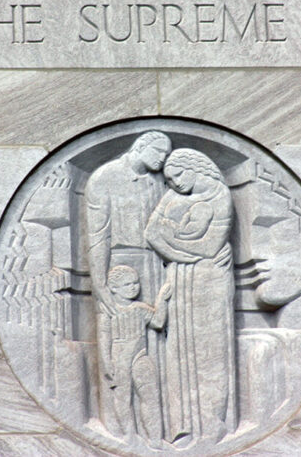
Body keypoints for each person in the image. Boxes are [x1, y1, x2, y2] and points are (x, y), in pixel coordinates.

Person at [145, 148, 236, 447]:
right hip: (181, 279)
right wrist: (183, 252)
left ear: (195, 167)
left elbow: (210, 247)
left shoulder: (219, 195)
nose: (175, 184)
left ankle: (213, 425)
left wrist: (173, 244)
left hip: (210, 282)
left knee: (210, 350)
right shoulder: (173, 197)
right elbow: (150, 234)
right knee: (178, 350)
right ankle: (182, 427)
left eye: (178, 176)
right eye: (169, 180)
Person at [83, 131, 172, 437]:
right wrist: (100, 284)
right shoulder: (104, 177)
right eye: (159, 151)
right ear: (141, 146)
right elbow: (97, 236)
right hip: (121, 262)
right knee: (120, 385)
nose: (163, 159)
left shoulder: (159, 180)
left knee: (155, 361)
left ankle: (158, 432)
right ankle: (124, 434)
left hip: (160, 262)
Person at [99, 265, 172, 445]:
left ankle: (155, 438)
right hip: (119, 358)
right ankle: (129, 437)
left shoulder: (140, 308)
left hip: (140, 355)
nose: (133, 287)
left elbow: (158, 321)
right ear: (114, 288)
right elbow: (103, 338)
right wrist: (107, 363)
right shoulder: (108, 312)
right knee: (123, 398)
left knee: (150, 395)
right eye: (127, 284)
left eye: (135, 283)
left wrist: (162, 300)